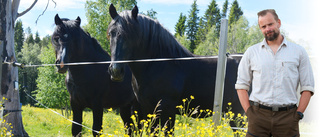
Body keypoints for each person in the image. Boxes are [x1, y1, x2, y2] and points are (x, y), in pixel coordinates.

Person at [235, 9, 314, 137]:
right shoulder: (251, 52)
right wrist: (250, 113)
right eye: (263, 27)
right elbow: (241, 85)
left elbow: (308, 87)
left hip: (288, 118)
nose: (268, 29)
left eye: (270, 24)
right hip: (258, 117)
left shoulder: (299, 52)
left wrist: (298, 115)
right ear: (260, 29)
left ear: (278, 23)